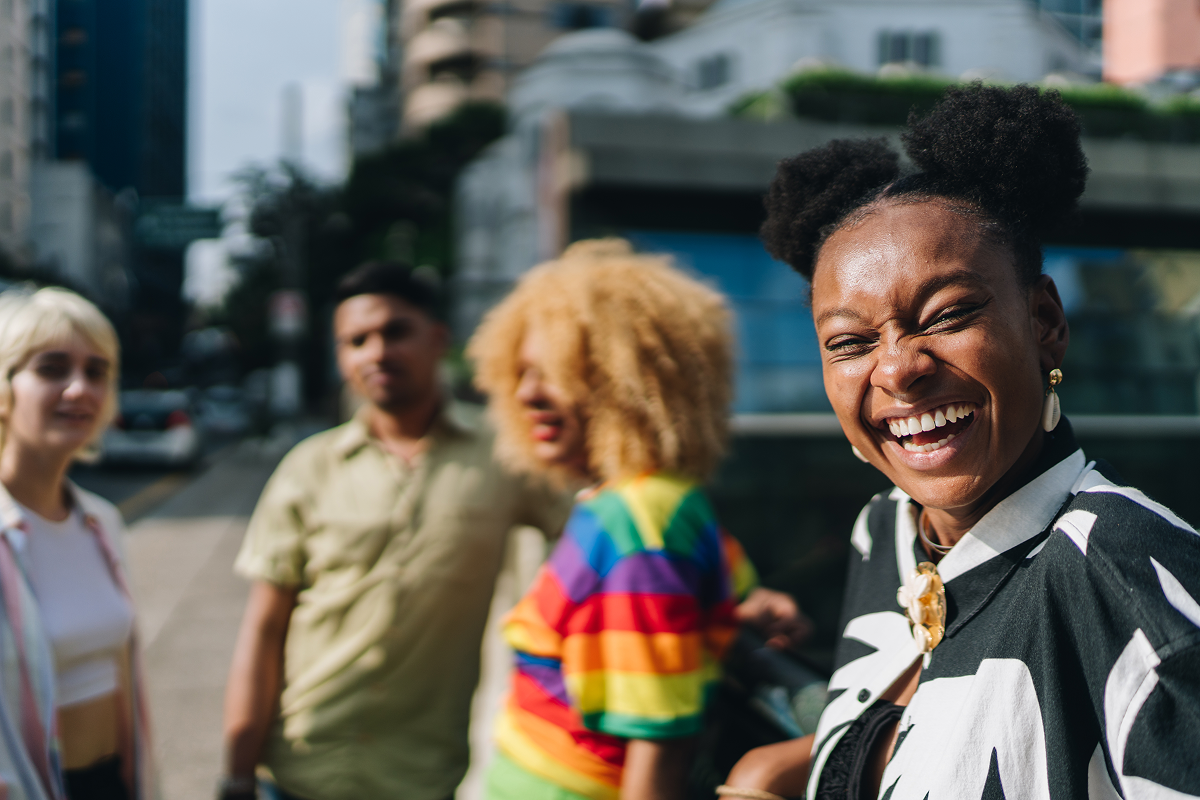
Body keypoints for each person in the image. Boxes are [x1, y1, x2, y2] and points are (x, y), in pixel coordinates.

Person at [718, 85, 1200, 800]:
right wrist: (775, 770)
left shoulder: (1125, 571)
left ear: (1043, 321)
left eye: (945, 317)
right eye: (850, 342)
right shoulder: (885, 531)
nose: (898, 370)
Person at [468, 239, 810, 800]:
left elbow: (660, 735)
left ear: (630, 378)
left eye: (555, 371)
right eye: (523, 371)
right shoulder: (644, 502)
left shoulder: (638, 518)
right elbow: (682, 630)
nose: (528, 393)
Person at [219, 262, 575, 800]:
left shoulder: (508, 455)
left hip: (422, 778)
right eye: (356, 340)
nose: (376, 352)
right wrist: (236, 773)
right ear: (341, 358)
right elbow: (264, 629)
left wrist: (727, 590)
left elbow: (604, 527)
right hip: (299, 770)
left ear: (438, 339)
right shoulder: (307, 468)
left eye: (395, 332)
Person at [0, 286, 154, 800]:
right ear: (5, 386)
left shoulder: (101, 523)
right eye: (51, 368)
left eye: (96, 371)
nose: (78, 389)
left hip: (108, 782)